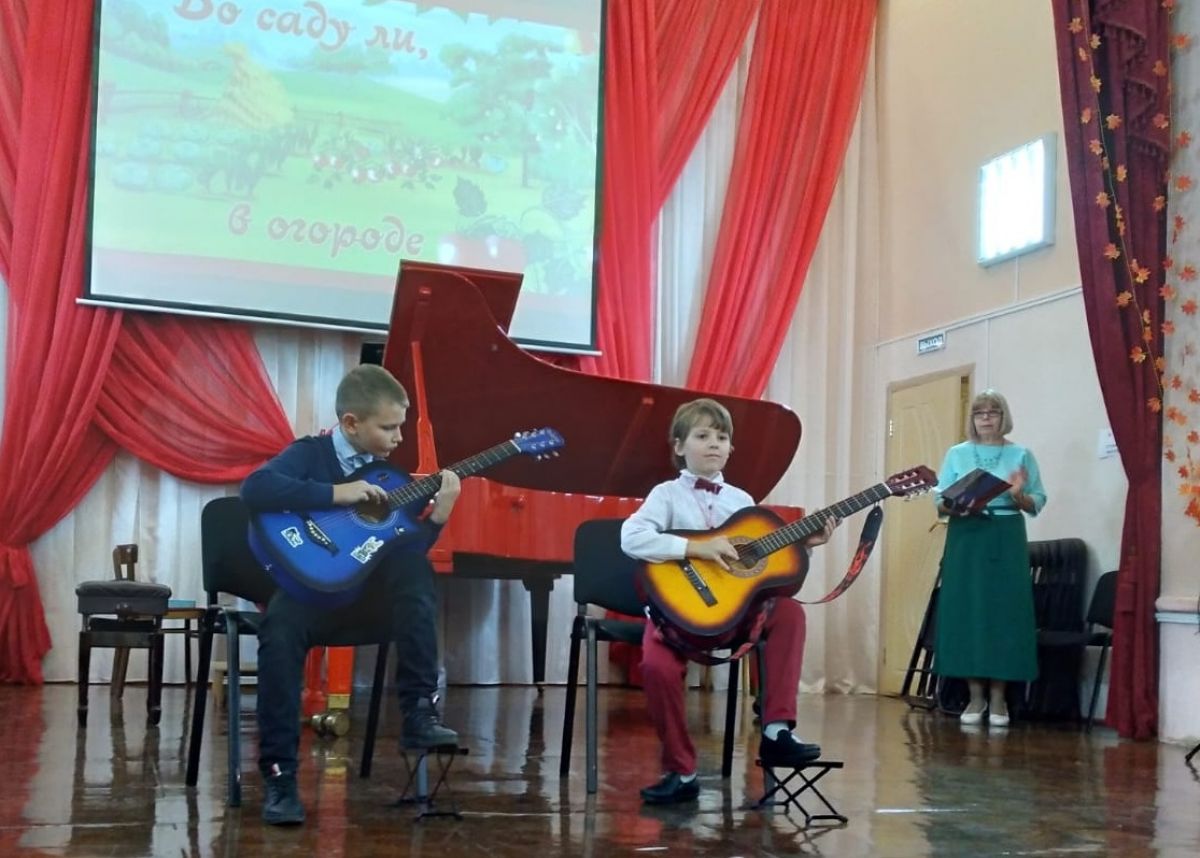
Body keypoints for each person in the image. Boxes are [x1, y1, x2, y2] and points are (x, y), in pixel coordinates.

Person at [240, 364, 462, 825]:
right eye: (389, 427)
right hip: (310, 596)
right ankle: (280, 777)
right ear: (350, 424)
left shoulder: (392, 478)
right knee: (279, 631)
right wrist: (340, 494)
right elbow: (256, 488)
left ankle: (419, 712)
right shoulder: (310, 454)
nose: (400, 437)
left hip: (365, 601)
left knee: (413, 566)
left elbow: (402, 548)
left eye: (401, 425)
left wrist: (437, 519)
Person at [620, 398, 838, 805]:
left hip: (732, 617)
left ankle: (776, 731)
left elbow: (762, 566)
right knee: (655, 665)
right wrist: (696, 549)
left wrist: (805, 544)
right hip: (676, 617)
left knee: (789, 612)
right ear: (679, 445)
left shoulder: (741, 501)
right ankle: (682, 771)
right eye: (702, 436)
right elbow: (630, 538)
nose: (714, 444)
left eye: (722, 437)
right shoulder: (665, 495)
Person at [933, 388, 1046, 728]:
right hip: (966, 535)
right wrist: (956, 501)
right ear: (972, 419)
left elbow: (1037, 501)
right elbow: (939, 501)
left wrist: (1017, 496)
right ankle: (975, 695)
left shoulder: (1022, 454)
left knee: (1004, 614)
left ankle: (999, 698)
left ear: (1003, 417)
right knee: (967, 613)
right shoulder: (957, 453)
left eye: (992, 412)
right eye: (979, 413)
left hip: (1005, 534)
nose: (986, 418)